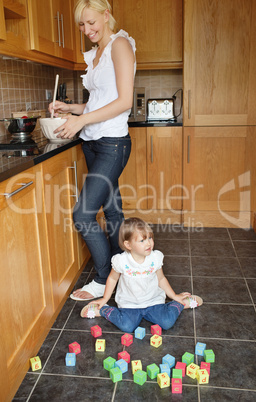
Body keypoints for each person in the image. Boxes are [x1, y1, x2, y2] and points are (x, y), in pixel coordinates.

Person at [49, 0, 136, 301]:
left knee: (83, 214)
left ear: (106, 14)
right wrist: (70, 109)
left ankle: (102, 279)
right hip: (93, 142)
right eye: (81, 26)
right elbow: (99, 103)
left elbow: (124, 101)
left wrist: (80, 120)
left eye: (91, 23)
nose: (86, 30)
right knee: (111, 210)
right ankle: (121, 271)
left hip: (113, 143)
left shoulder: (120, 45)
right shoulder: (97, 54)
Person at [80, 218, 203, 333]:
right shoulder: (121, 261)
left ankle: (179, 304)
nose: (148, 243)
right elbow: (112, 278)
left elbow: (161, 279)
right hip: (129, 304)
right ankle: (104, 310)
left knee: (167, 322)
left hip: (153, 301)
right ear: (128, 245)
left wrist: (175, 296)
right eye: (142, 240)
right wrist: (105, 299)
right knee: (127, 326)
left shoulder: (155, 258)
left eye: (150, 238)